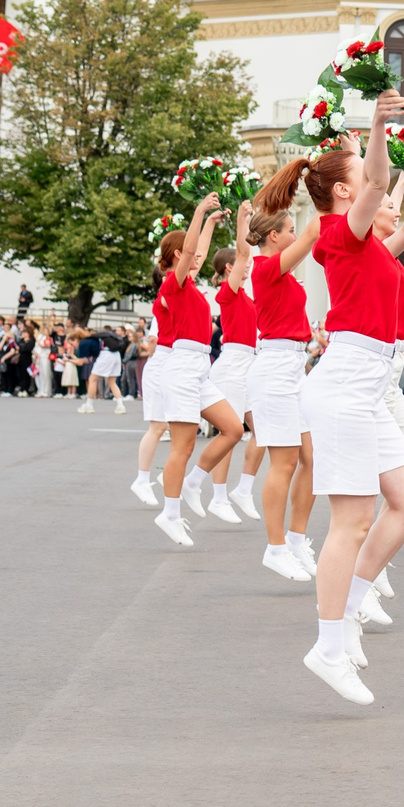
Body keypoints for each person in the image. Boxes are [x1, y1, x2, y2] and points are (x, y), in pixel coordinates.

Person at [267, 94, 404, 706]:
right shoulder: (340, 234)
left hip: (368, 386)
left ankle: (354, 607)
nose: (379, 190)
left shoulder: (370, 245)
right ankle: (329, 645)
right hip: (344, 385)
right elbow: (379, 182)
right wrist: (374, 125)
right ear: (345, 192)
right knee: (352, 519)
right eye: (364, 183)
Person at [144, 194, 248, 547]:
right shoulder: (172, 284)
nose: (199, 258)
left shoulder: (187, 282)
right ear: (177, 256)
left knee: (233, 428)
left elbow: (196, 251)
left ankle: (192, 483)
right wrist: (199, 211)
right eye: (189, 255)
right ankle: (169, 514)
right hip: (182, 368)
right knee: (182, 447)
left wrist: (209, 223)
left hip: (199, 366)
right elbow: (191, 252)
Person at [245, 192, 324, 582]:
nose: (294, 234)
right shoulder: (264, 269)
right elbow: (312, 235)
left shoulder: (282, 272)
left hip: (294, 366)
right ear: (273, 237)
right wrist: (330, 193)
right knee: (285, 461)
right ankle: (275, 548)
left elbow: (308, 238)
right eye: (288, 229)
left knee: (312, 457)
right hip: (274, 368)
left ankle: (295, 539)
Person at [204, 206, 263, 524]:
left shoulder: (248, 296)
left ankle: (243, 489)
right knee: (231, 432)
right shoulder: (229, 293)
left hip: (252, 363)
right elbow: (243, 253)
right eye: (244, 265)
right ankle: (218, 497)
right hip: (233, 364)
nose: (249, 267)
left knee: (263, 431)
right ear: (230, 268)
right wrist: (243, 221)